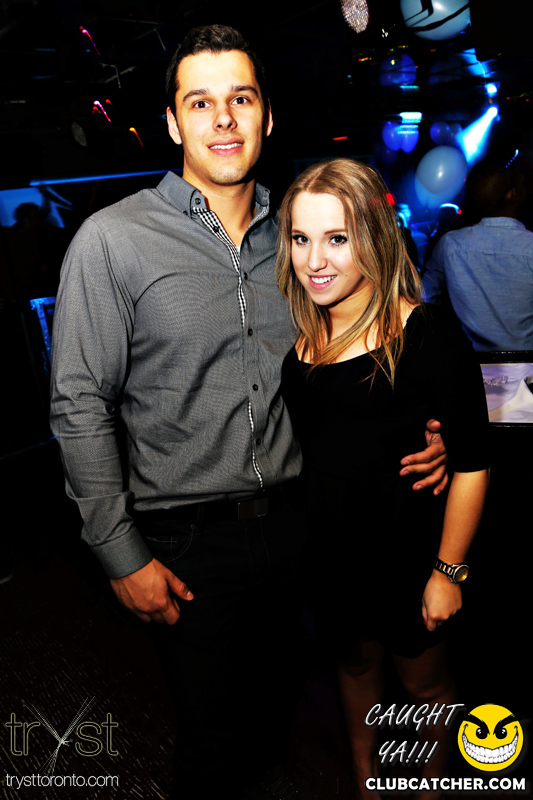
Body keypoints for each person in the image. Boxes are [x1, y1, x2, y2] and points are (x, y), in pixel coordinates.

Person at [50, 26, 448, 800]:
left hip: (306, 525)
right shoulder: (113, 242)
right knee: (212, 744)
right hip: (188, 544)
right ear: (173, 124)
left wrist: (427, 432)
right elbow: (78, 402)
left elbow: (369, 350)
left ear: (267, 115)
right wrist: (119, 552)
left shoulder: (302, 235)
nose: (223, 118)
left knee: (276, 720)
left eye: (241, 98)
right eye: (200, 103)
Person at [277, 158, 490, 800]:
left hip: (407, 552)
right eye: (301, 238)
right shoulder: (302, 344)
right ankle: (369, 786)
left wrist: (448, 572)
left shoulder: (427, 334)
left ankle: (429, 788)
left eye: (336, 238)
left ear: (371, 237)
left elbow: (474, 462)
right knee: (353, 669)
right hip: (334, 554)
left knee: (425, 685)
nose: (314, 260)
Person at [423, 157, 533, 351]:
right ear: (512, 194)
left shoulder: (451, 245)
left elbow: (424, 299)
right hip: (526, 365)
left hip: (468, 364)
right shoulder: (529, 246)